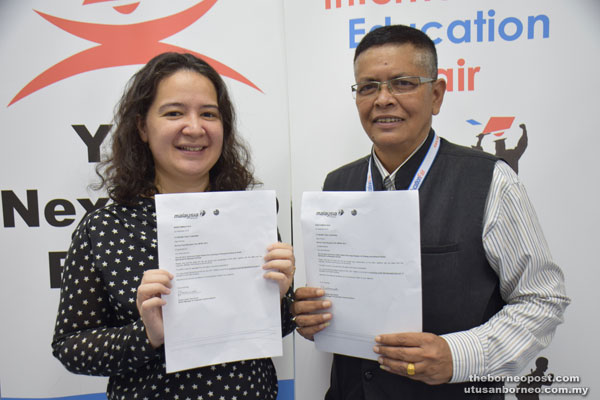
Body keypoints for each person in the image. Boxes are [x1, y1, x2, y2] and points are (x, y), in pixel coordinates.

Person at [292, 25, 569, 399]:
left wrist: (460, 355)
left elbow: (542, 298)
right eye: (368, 86)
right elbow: (332, 300)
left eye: (402, 83)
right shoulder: (337, 184)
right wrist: (313, 315)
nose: (383, 99)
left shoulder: (490, 181)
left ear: (436, 95)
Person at [52, 52, 296, 400]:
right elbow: (70, 346)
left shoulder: (248, 216)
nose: (195, 128)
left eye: (209, 114)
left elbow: (278, 326)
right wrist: (147, 334)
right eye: (174, 113)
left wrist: (283, 298)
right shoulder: (103, 228)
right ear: (142, 127)